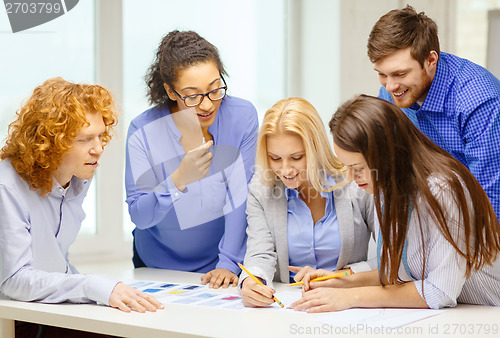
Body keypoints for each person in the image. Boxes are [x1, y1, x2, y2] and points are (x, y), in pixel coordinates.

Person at [291, 95, 500, 313]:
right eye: (347, 167)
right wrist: (341, 280)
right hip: (457, 314)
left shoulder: (442, 189)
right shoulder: (384, 185)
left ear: (386, 155)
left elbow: (439, 291)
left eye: (358, 168)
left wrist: (348, 297)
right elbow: (402, 270)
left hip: (489, 312)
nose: (351, 178)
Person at [0, 78, 163, 335]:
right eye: (85, 139)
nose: (98, 149)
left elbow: (56, 263)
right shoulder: (7, 186)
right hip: (15, 318)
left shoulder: (76, 178)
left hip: (47, 310)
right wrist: (91, 286)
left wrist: (110, 290)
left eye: (100, 136)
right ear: (51, 141)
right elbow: (14, 280)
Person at [125, 30, 258, 289]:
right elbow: (139, 215)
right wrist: (177, 180)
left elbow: (241, 196)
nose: (207, 105)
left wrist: (229, 262)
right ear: (170, 91)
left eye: (214, 89)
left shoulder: (242, 117)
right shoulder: (142, 131)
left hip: (219, 265)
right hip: (155, 265)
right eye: (192, 95)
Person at [239, 97, 376, 308]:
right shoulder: (261, 189)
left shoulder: (355, 181)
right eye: (275, 158)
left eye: (296, 157)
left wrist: (341, 277)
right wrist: (253, 281)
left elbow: (391, 260)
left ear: (315, 148)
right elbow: (259, 253)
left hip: (348, 305)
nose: (285, 170)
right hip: (290, 308)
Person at [367, 5, 500, 218]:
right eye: (382, 74)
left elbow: (491, 203)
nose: (390, 86)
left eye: (400, 74)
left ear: (430, 60)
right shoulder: (392, 93)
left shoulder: (479, 102)